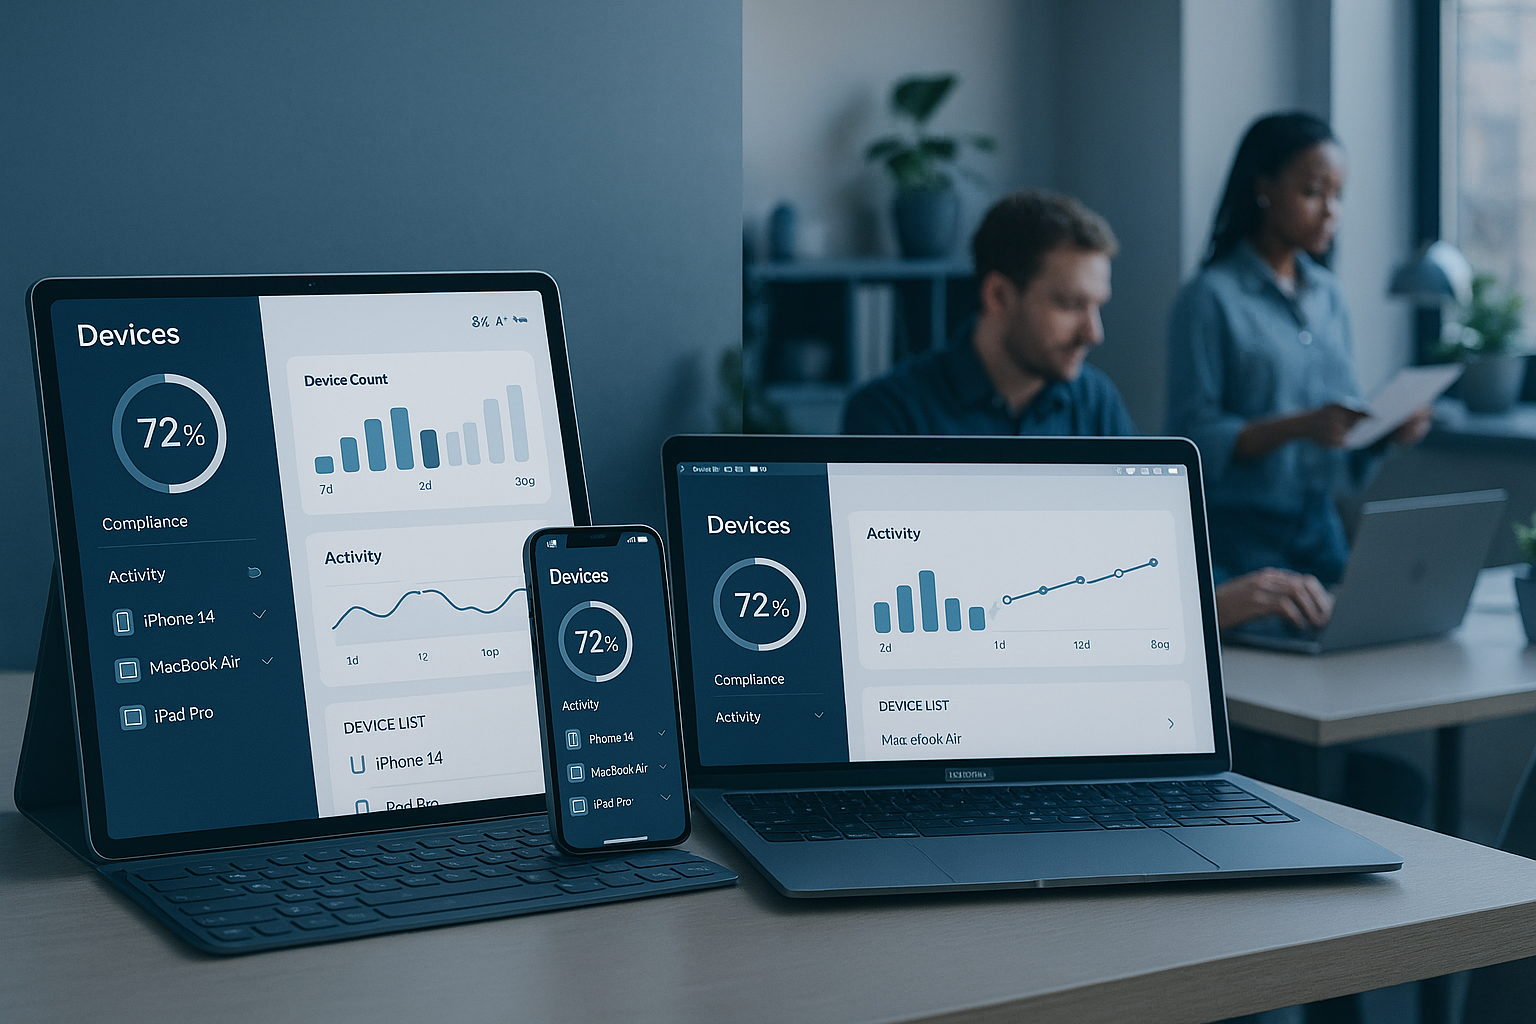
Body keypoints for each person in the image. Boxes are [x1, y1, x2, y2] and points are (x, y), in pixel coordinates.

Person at [844, 188, 1331, 631]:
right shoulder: (888, 415)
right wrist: (1201, 608)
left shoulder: (1094, 401)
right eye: (1069, 305)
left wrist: (1211, 600)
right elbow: (920, 601)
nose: (1093, 333)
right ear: (998, 295)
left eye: (1097, 306)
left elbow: (1142, 559)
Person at [1167, 112, 1431, 632]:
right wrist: (1300, 425)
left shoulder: (1330, 297)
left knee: (1376, 640)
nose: (1330, 211)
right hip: (1240, 538)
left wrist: (1382, 432)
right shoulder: (1209, 299)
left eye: (1338, 195)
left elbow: (1339, 439)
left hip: (1321, 531)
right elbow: (1192, 439)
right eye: (1313, 191)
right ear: (1264, 189)